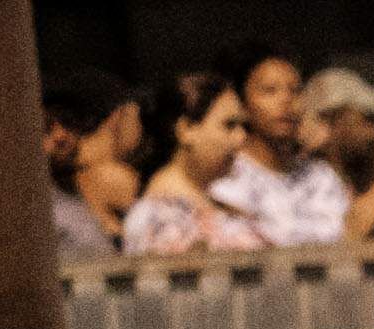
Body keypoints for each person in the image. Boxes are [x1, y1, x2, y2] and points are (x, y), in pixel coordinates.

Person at [209, 49, 349, 248]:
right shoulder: (226, 180)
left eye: (295, 90)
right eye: (269, 90)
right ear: (243, 105)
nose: (286, 100)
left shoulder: (321, 177)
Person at [116, 74, 267, 257]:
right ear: (186, 129)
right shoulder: (155, 219)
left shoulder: (223, 207)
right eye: (229, 125)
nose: (242, 137)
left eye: (243, 126)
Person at [45, 74, 142, 253]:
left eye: (68, 123)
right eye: (46, 127)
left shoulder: (91, 184)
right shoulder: (37, 204)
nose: (61, 136)